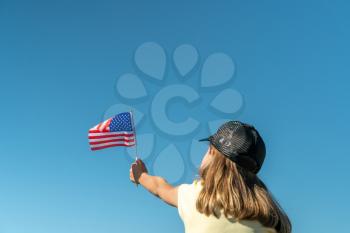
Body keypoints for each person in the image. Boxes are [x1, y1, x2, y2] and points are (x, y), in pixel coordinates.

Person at [129, 121, 292, 233]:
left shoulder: (196, 197)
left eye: (209, 149)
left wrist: (141, 176)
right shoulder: (272, 216)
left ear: (212, 153)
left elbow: (160, 187)